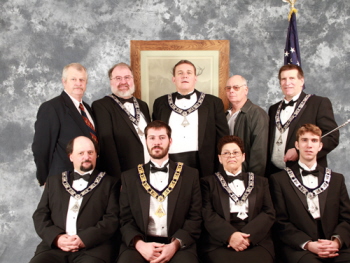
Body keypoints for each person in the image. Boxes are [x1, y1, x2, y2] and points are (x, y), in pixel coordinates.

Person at [117, 120, 202, 263]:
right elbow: (125, 219)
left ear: (170, 141)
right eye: (152, 138)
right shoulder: (129, 177)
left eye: (162, 138)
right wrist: (140, 244)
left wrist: (175, 245)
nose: (157, 142)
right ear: (145, 141)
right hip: (140, 242)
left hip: (178, 242)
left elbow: (195, 217)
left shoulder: (190, 175)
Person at [29, 136, 119, 263]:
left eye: (90, 152)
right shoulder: (54, 182)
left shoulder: (110, 183)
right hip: (55, 248)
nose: (86, 157)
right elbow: (40, 215)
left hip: (93, 248)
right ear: (71, 156)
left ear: (96, 155)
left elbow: (112, 219)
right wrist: (57, 238)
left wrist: (84, 239)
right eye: (81, 153)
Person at [270, 124, 350, 263]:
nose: (309, 145)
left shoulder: (337, 179)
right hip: (300, 247)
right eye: (304, 140)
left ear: (320, 146)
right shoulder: (279, 180)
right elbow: (280, 222)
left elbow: (347, 218)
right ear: (297, 145)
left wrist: (337, 242)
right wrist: (308, 244)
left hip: (333, 245)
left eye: (314, 140)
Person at [200, 135, 275, 263]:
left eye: (235, 152)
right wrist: (230, 236)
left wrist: (248, 237)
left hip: (255, 239)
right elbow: (208, 214)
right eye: (226, 153)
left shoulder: (261, 182)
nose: (231, 156)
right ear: (220, 158)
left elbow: (268, 213)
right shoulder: (208, 182)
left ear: (243, 156)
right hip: (221, 241)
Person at [153, 60, 229, 177]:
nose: (185, 76)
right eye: (180, 73)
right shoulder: (160, 103)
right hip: (170, 162)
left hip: (204, 164)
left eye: (189, 73)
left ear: (195, 78)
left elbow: (223, 138)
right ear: (174, 79)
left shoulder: (213, 103)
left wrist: (221, 167)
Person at [32, 63, 97, 186]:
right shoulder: (51, 107)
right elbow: (40, 148)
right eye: (73, 79)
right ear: (64, 81)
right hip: (62, 181)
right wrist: (45, 178)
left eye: (81, 79)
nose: (78, 83)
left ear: (86, 83)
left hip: (90, 179)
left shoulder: (88, 109)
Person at [268, 64, 339, 175]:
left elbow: (331, 137)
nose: (287, 83)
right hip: (274, 174)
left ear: (301, 81)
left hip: (305, 173)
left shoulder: (318, 103)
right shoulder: (273, 109)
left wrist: (299, 151)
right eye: (283, 79)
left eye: (292, 78)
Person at [92, 62, 151, 181]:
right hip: (124, 176)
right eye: (118, 78)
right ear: (111, 81)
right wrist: (118, 180)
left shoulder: (143, 105)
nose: (123, 82)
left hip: (148, 173)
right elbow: (107, 146)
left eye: (127, 77)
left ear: (133, 80)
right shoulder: (101, 106)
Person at [225, 75, 269, 176]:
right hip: (228, 174)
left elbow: (259, 154)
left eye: (236, 87)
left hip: (247, 175)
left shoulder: (257, 114)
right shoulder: (225, 115)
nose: (231, 91)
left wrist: (252, 180)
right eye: (228, 88)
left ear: (246, 90)